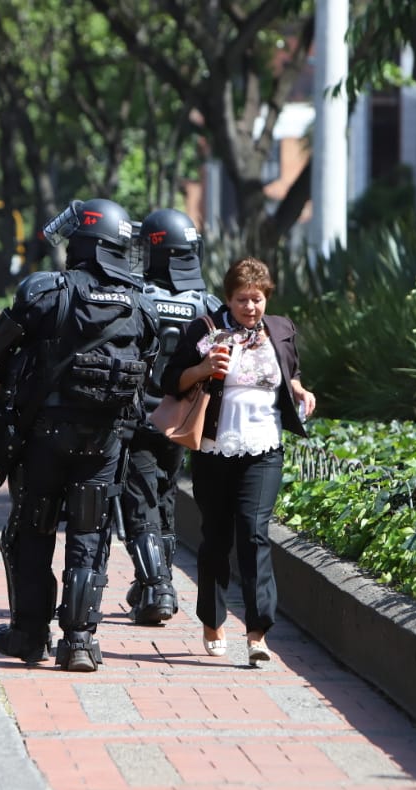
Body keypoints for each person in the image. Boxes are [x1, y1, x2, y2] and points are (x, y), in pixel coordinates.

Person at [0, 198, 160, 673]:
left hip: (44, 440)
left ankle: (30, 636)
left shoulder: (46, 292)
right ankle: (80, 642)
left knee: (29, 534)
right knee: (90, 536)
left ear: (83, 244)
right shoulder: (142, 304)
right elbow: (148, 373)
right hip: (105, 442)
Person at [159, 257, 316, 664]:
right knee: (215, 538)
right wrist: (204, 368)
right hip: (215, 448)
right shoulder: (206, 330)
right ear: (228, 299)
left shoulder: (279, 330)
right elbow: (170, 380)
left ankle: (258, 633)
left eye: (258, 299)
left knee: (254, 533)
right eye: (243, 299)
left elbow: (290, 372)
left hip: (264, 448)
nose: (250, 307)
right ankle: (212, 621)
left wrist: (299, 391)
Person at [121, 208, 221, 625]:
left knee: (137, 501)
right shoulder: (208, 305)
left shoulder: (137, 295)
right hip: (183, 420)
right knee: (163, 496)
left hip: (140, 415)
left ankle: (156, 587)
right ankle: (152, 583)